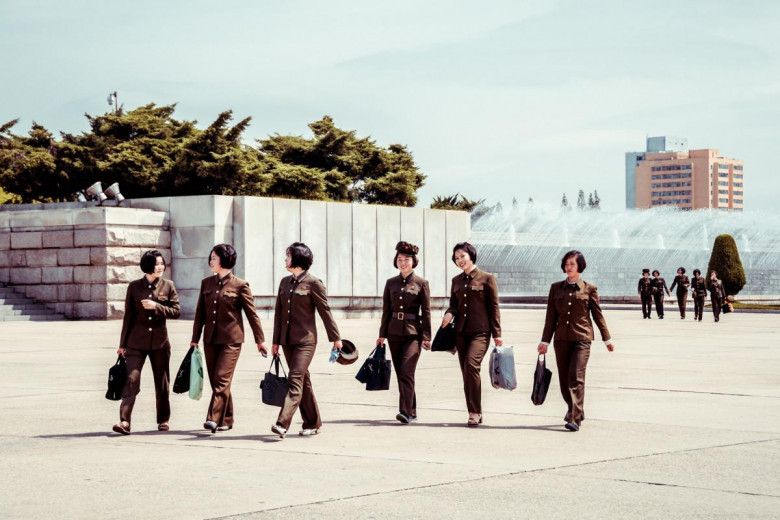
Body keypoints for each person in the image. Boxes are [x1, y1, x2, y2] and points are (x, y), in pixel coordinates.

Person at [191, 244, 266, 433]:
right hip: (210, 339)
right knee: (217, 381)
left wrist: (260, 340)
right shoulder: (206, 283)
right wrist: (195, 338)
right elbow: (200, 314)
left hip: (231, 340)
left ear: (224, 260)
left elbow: (252, 314)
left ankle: (213, 418)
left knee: (222, 379)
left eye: (214, 258)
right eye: (210, 257)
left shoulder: (240, 285)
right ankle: (227, 418)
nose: (210, 261)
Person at [537, 250, 615, 432]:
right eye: (566, 264)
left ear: (580, 265)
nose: (568, 267)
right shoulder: (556, 288)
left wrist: (607, 339)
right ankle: (575, 408)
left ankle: (574, 418)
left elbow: (597, 315)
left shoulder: (590, 288)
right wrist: (544, 342)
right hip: (561, 340)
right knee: (564, 380)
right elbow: (550, 317)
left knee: (576, 377)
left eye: (572, 263)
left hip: (582, 339)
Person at [271, 242, 342, 438]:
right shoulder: (284, 282)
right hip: (287, 341)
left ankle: (282, 423)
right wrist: (275, 341)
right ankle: (312, 422)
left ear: (298, 258)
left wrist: (335, 338)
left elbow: (325, 311)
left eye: (288, 256)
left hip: (306, 341)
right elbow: (278, 314)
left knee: (294, 379)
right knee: (304, 381)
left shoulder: (313, 283)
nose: (285, 259)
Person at [113, 250, 180, 435]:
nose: (160, 267)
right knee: (131, 379)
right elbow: (128, 317)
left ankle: (163, 419)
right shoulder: (134, 286)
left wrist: (157, 307)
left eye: (162, 263)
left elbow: (176, 311)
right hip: (136, 343)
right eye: (156, 264)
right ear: (148, 265)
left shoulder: (168, 285)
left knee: (162, 382)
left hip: (160, 343)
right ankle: (124, 421)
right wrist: (122, 344)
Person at [441, 242, 502, 427]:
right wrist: (449, 313)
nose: (460, 260)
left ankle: (475, 411)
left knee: (471, 365)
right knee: (466, 372)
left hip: (481, 332)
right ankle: (474, 411)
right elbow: (454, 305)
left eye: (463, 256)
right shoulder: (456, 281)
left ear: (471, 256)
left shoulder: (487, 278)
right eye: (456, 258)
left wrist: (497, 334)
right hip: (460, 333)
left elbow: (493, 307)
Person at [376, 241, 432, 424]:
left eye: (407, 259)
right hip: (393, 332)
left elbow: (426, 312)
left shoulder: (421, 283)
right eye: (400, 259)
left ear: (414, 261)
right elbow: (386, 310)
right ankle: (412, 411)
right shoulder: (390, 283)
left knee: (407, 371)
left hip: (413, 334)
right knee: (402, 373)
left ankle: (405, 412)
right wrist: (382, 334)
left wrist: (426, 337)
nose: (403, 263)